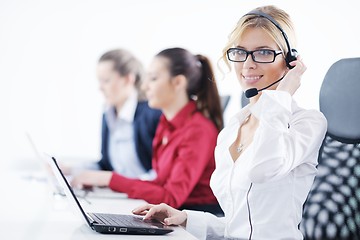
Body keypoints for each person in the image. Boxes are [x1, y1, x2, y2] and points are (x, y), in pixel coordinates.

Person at [132, 5, 327, 240]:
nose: (248, 64)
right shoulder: (233, 128)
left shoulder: (307, 123)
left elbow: (263, 169)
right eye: (240, 52)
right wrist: (185, 218)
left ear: (290, 60)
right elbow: (237, 227)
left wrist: (282, 96)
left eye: (263, 52)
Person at [71, 47, 224, 215]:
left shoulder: (198, 130)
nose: (144, 86)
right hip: (174, 213)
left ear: (178, 82)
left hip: (195, 220)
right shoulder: (166, 124)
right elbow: (160, 183)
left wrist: (110, 179)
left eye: (153, 78)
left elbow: (171, 198)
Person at [63, 49, 161, 180]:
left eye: (106, 81)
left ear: (127, 79)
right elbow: (106, 165)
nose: (100, 88)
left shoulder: (152, 114)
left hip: (144, 195)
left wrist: (120, 183)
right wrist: (70, 170)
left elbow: (161, 173)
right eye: (99, 81)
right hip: (120, 195)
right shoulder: (108, 114)